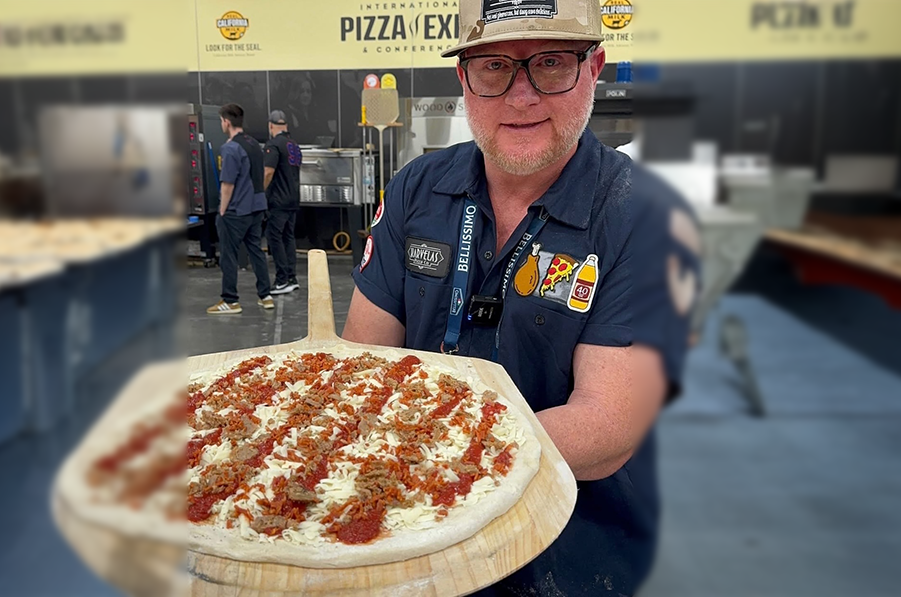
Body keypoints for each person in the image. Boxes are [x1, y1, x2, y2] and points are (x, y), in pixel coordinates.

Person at [341, 1, 701, 595]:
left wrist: (433, 460)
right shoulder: (415, 189)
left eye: (551, 63)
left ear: (594, 68)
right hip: (412, 542)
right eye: (494, 67)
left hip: (572, 553)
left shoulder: (646, 216)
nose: (522, 97)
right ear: (463, 79)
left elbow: (606, 424)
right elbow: (365, 363)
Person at [207, 103, 274, 314]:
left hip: (237, 210)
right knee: (256, 251)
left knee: (228, 255)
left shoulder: (230, 148)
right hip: (257, 207)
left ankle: (230, 300)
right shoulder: (254, 144)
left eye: (221, 121)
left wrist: (222, 211)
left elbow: (228, 184)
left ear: (226, 122)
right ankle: (266, 296)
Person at [263, 110, 302, 295]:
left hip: (278, 200)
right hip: (293, 198)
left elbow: (268, 172)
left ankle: (282, 279)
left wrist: (260, 192)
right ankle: (292, 277)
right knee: (288, 237)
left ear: (271, 126)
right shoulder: (294, 145)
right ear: (286, 125)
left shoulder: (273, 145)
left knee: (274, 237)